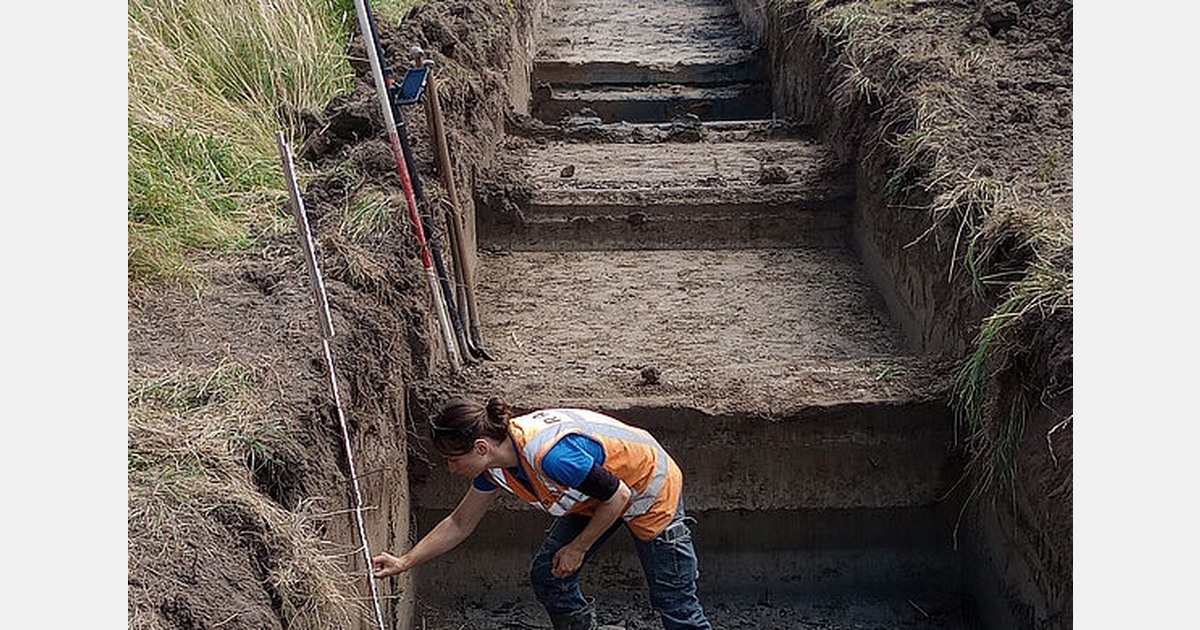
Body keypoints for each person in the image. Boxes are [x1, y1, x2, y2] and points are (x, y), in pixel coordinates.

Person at [372, 396, 712, 630]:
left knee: (674, 599)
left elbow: (620, 495)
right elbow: (460, 523)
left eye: (453, 460)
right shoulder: (495, 467)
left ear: (480, 447)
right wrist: (405, 562)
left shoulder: (551, 456)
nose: (450, 469)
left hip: (647, 486)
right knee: (550, 576)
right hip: (594, 493)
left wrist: (577, 548)